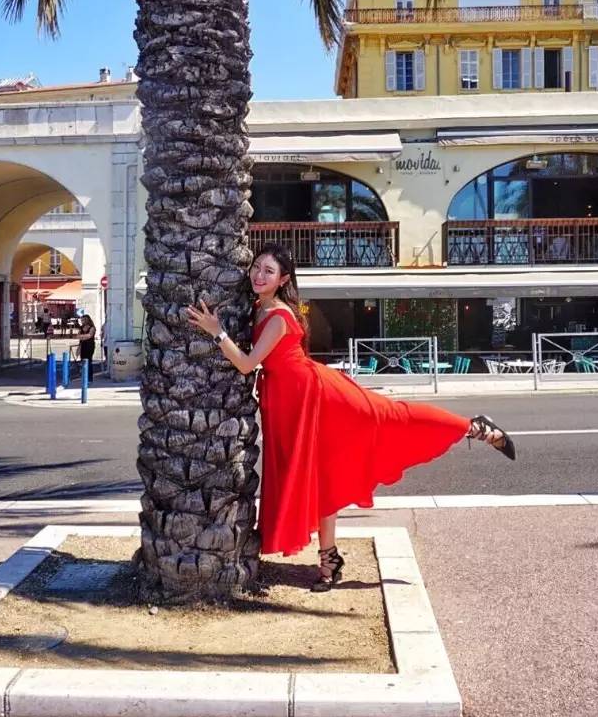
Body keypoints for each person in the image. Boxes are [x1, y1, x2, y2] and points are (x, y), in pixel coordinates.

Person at [186, 243, 514, 592]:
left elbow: (247, 364)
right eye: (257, 267)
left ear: (283, 280)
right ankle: (330, 562)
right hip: (287, 403)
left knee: (391, 416)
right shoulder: (257, 308)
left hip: (317, 395)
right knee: (322, 478)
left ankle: (474, 427)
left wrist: (215, 330)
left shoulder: (279, 315)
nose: (258, 275)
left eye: (269, 271)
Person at [77, 313, 97, 383]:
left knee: (89, 361)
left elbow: (90, 335)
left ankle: (90, 378)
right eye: (82, 320)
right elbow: (78, 336)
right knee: (83, 360)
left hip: (90, 346)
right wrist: (83, 337)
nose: (82, 321)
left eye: (83, 320)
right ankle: (84, 377)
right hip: (83, 345)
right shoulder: (81, 328)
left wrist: (82, 337)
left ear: (87, 320)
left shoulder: (92, 327)